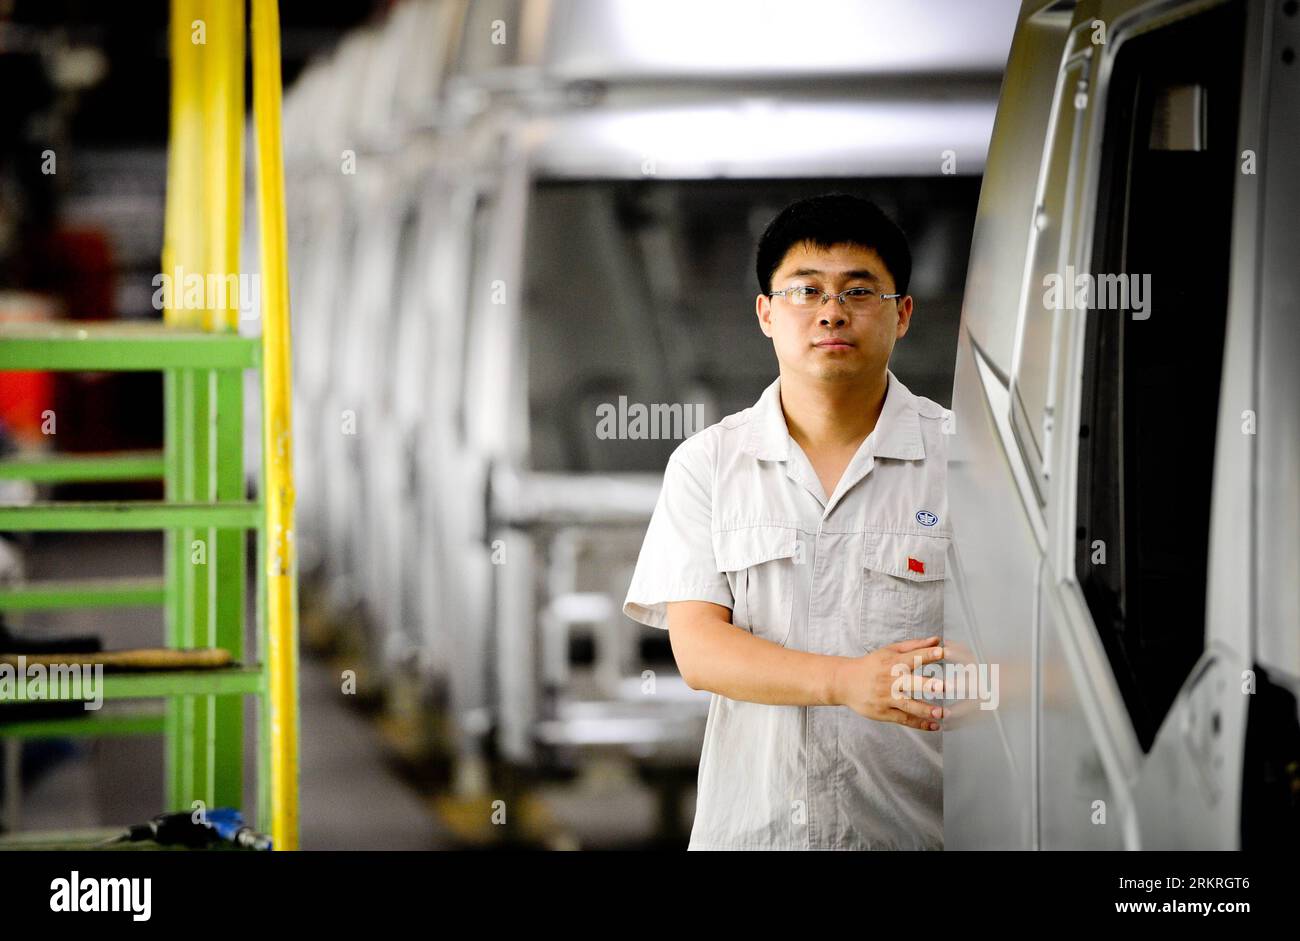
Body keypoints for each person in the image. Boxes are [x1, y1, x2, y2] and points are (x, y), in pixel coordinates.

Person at [623, 193, 950, 850]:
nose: (832, 311)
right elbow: (698, 651)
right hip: (754, 832)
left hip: (919, 833)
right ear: (767, 314)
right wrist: (845, 681)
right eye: (806, 291)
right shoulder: (709, 463)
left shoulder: (969, 462)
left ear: (903, 314)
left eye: (860, 292)